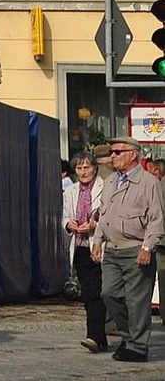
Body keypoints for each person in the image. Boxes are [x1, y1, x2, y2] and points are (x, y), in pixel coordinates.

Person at [90, 136, 164, 363]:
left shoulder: (149, 182)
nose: (112, 156)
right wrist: (97, 241)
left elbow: (156, 218)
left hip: (136, 248)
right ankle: (129, 336)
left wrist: (147, 246)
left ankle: (138, 347)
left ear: (133, 154)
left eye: (117, 152)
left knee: (137, 301)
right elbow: (104, 214)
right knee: (109, 293)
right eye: (111, 152)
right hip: (113, 249)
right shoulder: (111, 181)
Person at [63, 151, 107, 352]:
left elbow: (107, 217)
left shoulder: (105, 187)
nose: (83, 171)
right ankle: (100, 338)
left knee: (96, 292)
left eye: (87, 167)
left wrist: (93, 225)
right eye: (79, 168)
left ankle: (93, 336)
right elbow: (64, 217)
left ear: (95, 168)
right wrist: (69, 224)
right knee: (89, 293)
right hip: (80, 247)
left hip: (98, 246)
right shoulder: (70, 191)